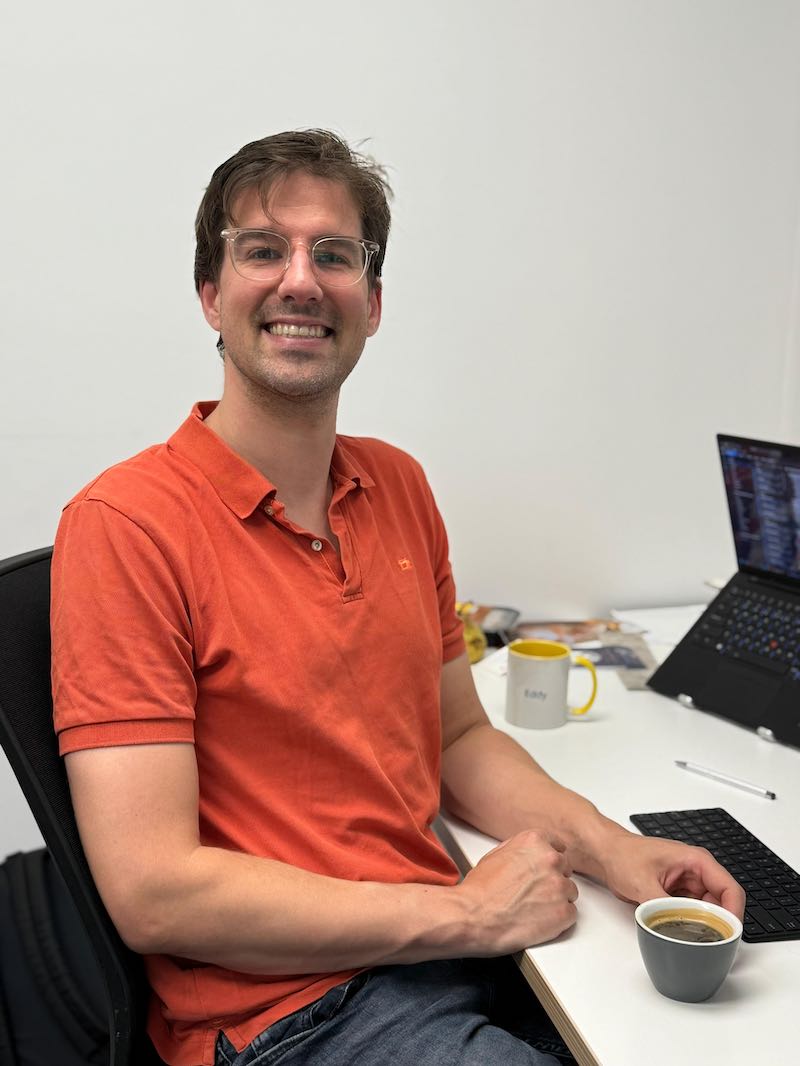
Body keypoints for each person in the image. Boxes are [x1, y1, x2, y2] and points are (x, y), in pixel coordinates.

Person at [51, 130, 745, 1066]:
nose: (301, 280)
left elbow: (458, 739)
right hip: (295, 1014)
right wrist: (462, 911)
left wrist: (610, 849)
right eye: (262, 249)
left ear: (372, 304)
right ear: (211, 295)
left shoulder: (399, 488)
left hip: (456, 946)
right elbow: (153, 893)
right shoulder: (125, 525)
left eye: (334, 255)